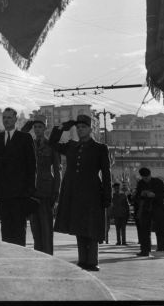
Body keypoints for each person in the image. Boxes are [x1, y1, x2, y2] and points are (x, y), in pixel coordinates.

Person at [48, 115, 112, 271]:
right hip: (73, 192)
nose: (80, 129)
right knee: (78, 227)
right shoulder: (71, 146)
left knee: (91, 227)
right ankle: (82, 260)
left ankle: (92, 261)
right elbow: (52, 143)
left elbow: (106, 173)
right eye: (78, 127)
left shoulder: (100, 148)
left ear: (90, 129)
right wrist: (63, 127)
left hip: (92, 192)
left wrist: (107, 195)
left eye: (84, 127)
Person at [0, 107, 36, 246]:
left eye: (9, 117)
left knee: (19, 228)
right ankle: (8, 254)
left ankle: (20, 256)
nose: (6, 120)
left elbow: (32, 166)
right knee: (6, 228)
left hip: (20, 193)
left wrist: (30, 191)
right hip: (3, 193)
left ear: (16, 119)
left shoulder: (25, 138)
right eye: (4, 117)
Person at [21, 115, 60, 255]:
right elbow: (18, 140)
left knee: (46, 228)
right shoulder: (28, 143)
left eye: (40, 127)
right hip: (32, 191)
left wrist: (56, 192)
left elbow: (57, 169)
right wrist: (25, 128)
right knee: (35, 228)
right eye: (35, 127)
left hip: (46, 191)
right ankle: (39, 256)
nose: (37, 130)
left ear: (45, 128)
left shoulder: (51, 145)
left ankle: (49, 256)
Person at [133, 167, 164, 258]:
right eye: (144, 178)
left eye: (147, 177)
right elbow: (137, 197)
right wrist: (142, 194)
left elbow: (163, 195)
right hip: (146, 209)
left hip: (158, 209)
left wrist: (154, 195)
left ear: (150, 175)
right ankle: (144, 251)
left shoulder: (158, 182)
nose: (145, 180)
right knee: (144, 230)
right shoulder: (140, 183)